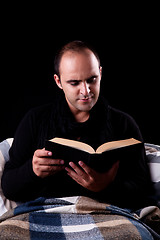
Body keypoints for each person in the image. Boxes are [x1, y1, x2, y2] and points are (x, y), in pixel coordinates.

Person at [1, 41, 151, 209]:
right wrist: (32, 170)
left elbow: (143, 193)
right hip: (44, 213)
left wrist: (105, 187)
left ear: (100, 74)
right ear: (58, 81)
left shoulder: (124, 124)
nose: (86, 91)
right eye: (74, 83)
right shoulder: (35, 120)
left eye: (92, 79)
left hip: (107, 214)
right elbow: (9, 188)